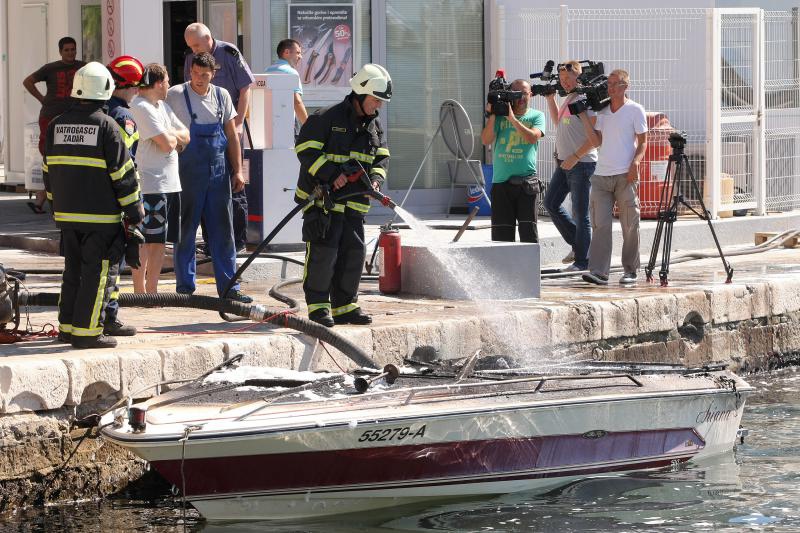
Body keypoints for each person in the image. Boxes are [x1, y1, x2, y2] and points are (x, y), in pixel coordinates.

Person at [42, 62, 143, 349]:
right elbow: (123, 175)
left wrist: (55, 208)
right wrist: (134, 211)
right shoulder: (107, 127)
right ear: (106, 90)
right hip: (101, 218)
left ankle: (67, 327)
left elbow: (49, 172)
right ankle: (87, 333)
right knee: (98, 276)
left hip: (67, 217)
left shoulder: (56, 125)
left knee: (73, 271)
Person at [295, 64, 391, 327]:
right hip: (322, 201)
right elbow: (305, 150)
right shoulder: (326, 118)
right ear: (360, 94)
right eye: (375, 100)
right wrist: (330, 173)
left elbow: (381, 157)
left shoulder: (374, 125)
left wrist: (376, 179)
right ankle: (318, 309)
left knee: (353, 253)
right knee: (324, 254)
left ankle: (345, 307)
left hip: (354, 203)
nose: (378, 106)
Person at [166, 52, 251, 303]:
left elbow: (232, 136)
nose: (200, 79)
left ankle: (229, 288)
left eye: (205, 74)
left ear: (213, 73)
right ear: (189, 71)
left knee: (223, 232)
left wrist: (237, 170)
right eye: (196, 73)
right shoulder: (175, 95)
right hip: (187, 173)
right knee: (185, 231)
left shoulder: (222, 96)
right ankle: (184, 287)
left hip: (217, 173)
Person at [184, 22, 255, 253]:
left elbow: (246, 88)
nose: (194, 49)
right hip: (204, 132)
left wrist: (238, 123)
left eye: (196, 44)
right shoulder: (191, 58)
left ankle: (238, 242)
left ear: (208, 38)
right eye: (190, 46)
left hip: (231, 127)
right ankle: (210, 242)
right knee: (206, 186)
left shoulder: (229, 52)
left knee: (235, 181)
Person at [581, 69, 648, 286]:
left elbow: (643, 141)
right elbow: (597, 141)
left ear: (625, 86)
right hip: (601, 175)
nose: (609, 87)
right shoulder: (603, 111)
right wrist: (583, 116)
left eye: (614, 84)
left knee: (629, 223)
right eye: (608, 84)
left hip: (624, 175)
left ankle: (630, 270)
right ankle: (599, 271)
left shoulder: (635, 110)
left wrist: (635, 163)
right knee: (600, 224)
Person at [129, 63, 190, 294]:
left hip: (170, 183)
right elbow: (168, 144)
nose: (168, 85)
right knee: (145, 240)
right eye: (166, 81)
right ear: (156, 83)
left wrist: (170, 136)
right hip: (151, 184)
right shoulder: (141, 106)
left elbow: (186, 134)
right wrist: (172, 138)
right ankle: (139, 291)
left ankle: (152, 290)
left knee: (160, 241)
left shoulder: (161, 107)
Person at [102, 54, 145, 337]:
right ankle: (109, 318)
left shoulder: (95, 110)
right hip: (114, 203)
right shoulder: (123, 117)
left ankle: (83, 319)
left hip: (85, 201)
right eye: (137, 86)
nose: (138, 92)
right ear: (129, 86)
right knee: (112, 267)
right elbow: (126, 166)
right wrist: (134, 211)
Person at [543, 61, 598, 272]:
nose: (564, 83)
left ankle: (583, 261)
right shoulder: (569, 98)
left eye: (568, 79)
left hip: (581, 164)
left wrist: (575, 156)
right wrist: (550, 99)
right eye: (561, 79)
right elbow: (559, 122)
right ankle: (579, 246)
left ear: (578, 76)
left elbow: (595, 138)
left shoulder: (584, 99)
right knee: (550, 203)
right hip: (565, 163)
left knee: (580, 212)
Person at [23, 36, 86, 214]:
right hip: (50, 117)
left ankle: (45, 195)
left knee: (70, 154)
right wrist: (42, 99)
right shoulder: (51, 68)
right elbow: (27, 81)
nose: (70, 53)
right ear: (60, 52)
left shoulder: (83, 67)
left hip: (73, 117)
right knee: (50, 155)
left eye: (73, 49)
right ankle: (47, 194)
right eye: (66, 50)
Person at [481, 79, 545, 242]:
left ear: (531, 94)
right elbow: (485, 140)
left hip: (527, 184)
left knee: (528, 234)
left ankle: (529, 267)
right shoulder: (500, 117)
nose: (521, 97)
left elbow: (532, 137)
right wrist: (494, 115)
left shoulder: (537, 115)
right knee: (501, 238)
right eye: (517, 93)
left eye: (525, 93)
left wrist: (512, 119)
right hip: (501, 183)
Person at [266, 38, 308, 126]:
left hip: (268, 123)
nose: (300, 57)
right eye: (298, 53)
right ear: (287, 52)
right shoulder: (291, 72)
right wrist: (308, 126)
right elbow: (297, 101)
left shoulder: (267, 71)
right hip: (287, 124)